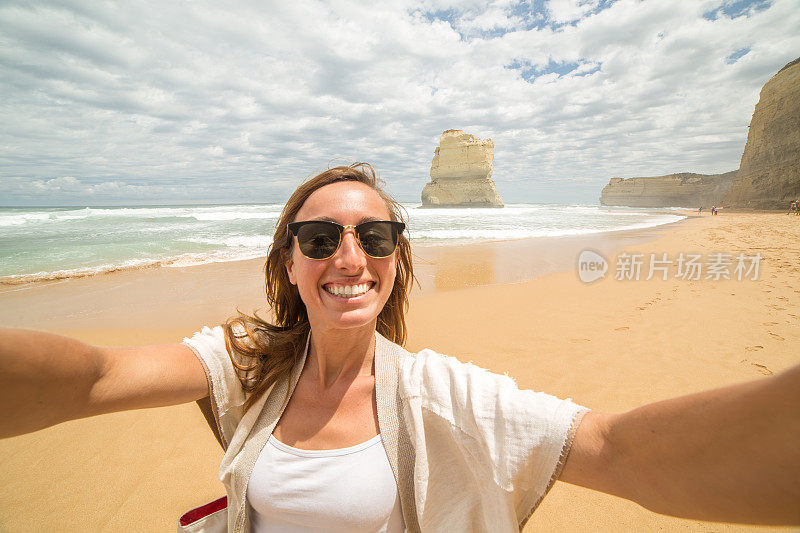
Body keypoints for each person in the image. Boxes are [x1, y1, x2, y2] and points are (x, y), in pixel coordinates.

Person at [1, 163, 798, 532]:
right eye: (320, 236)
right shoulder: (249, 363)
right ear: (289, 259)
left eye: (373, 234)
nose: (349, 257)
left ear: (396, 256)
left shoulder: (439, 393)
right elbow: (96, 377)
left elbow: (612, 449)